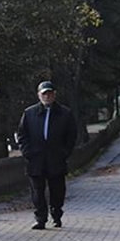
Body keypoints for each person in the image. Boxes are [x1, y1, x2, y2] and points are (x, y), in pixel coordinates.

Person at [16, 80, 78, 230]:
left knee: (57, 190)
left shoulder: (65, 113)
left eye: (50, 93)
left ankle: (56, 215)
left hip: (56, 158)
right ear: (39, 95)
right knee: (37, 191)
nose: (47, 96)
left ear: (54, 94)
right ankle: (40, 218)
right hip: (36, 159)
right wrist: (27, 152)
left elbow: (71, 136)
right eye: (44, 94)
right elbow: (22, 135)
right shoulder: (29, 113)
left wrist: (64, 153)